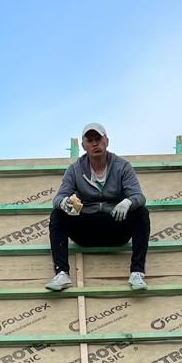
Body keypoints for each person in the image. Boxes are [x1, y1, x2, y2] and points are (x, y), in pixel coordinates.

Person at [47, 123, 150, 293]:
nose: (95, 144)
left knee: (141, 213)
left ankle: (137, 272)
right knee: (57, 215)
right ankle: (62, 273)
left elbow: (139, 196)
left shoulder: (122, 166)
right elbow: (58, 197)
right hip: (86, 230)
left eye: (98, 139)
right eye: (90, 140)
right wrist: (63, 203)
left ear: (106, 141)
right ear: (84, 146)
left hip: (115, 227)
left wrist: (128, 202)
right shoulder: (75, 170)